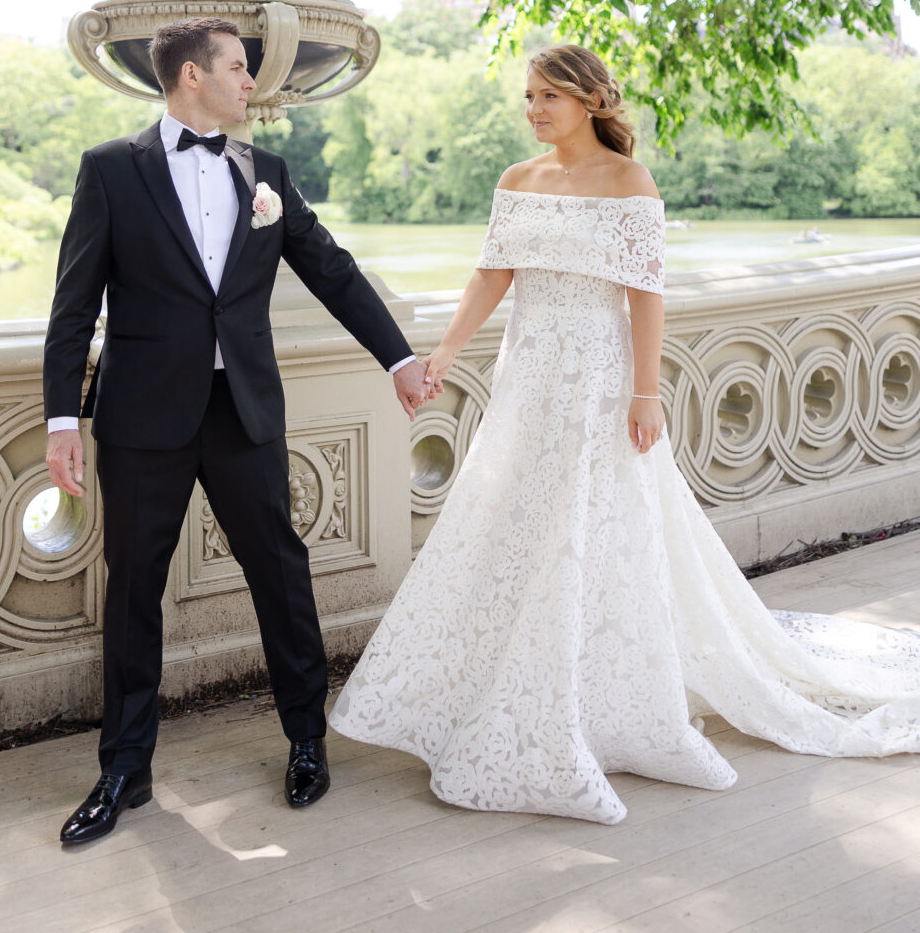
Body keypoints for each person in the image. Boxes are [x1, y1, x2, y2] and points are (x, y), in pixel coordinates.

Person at [330, 44, 920, 823]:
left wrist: (645, 393)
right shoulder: (517, 180)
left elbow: (645, 298)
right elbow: (491, 277)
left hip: (599, 383)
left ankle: (598, 700)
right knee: (513, 524)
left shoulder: (628, 182)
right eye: (529, 97)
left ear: (589, 102)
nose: (534, 109)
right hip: (527, 379)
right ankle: (492, 688)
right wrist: (442, 353)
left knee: (595, 529)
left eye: (549, 96)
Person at [43, 17, 429, 844]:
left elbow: (330, 269)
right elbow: (73, 305)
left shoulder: (266, 172)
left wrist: (397, 359)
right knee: (134, 588)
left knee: (281, 574)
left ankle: (305, 741)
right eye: (235, 67)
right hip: (143, 414)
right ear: (191, 76)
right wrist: (60, 419)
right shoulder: (112, 170)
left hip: (243, 408)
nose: (249, 81)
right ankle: (123, 770)